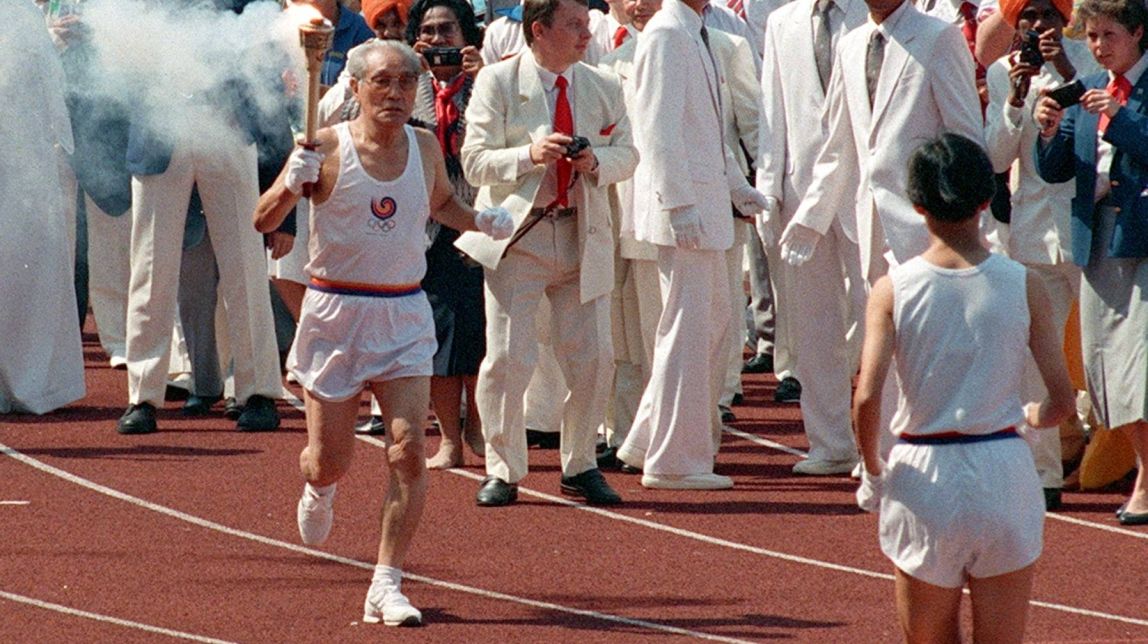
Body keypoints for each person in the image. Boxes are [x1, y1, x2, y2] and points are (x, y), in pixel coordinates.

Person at [254, 40, 513, 626]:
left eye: (404, 82)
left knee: (408, 450)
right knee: (329, 459)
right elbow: (262, 221)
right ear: (358, 89)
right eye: (382, 82)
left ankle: (386, 582)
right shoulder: (324, 146)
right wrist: (290, 185)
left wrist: (481, 219)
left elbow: (442, 204)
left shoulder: (423, 146)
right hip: (336, 313)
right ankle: (318, 486)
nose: (395, 93)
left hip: (401, 312)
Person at [853, 133, 1074, 643]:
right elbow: (1061, 401)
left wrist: (872, 470)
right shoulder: (1024, 284)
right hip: (1003, 467)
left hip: (923, 474)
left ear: (916, 206)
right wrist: (1027, 416)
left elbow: (867, 397)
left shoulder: (893, 289)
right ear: (984, 201)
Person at [782, 0, 984, 462]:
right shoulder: (851, 45)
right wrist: (811, 218)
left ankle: (930, 450)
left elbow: (964, 136)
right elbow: (839, 148)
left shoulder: (938, 37)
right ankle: (890, 456)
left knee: (930, 343)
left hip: (929, 225)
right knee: (884, 345)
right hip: (868, 225)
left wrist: (963, 223)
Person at [456, 0, 638, 507]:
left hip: (583, 232)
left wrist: (593, 159)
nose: (586, 34)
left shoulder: (603, 85)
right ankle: (503, 468)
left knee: (595, 359)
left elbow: (629, 153)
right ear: (540, 30)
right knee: (509, 359)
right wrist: (530, 155)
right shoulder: (496, 81)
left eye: (586, 25)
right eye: (574, 25)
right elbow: (473, 162)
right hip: (523, 236)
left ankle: (579, 464)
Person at [617, 0, 771, 490]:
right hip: (685, 214)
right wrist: (678, 204)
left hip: (704, 207)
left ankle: (646, 439)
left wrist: (736, 186)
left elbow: (705, 127)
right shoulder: (667, 33)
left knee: (711, 325)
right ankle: (674, 461)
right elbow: (657, 128)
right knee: (687, 333)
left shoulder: (695, 31)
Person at [115, 4, 286, 435]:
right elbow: (120, 58)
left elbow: (265, 67)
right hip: (161, 129)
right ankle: (143, 395)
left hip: (228, 129)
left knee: (246, 267)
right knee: (150, 271)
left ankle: (258, 391)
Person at [1034, 0, 1148, 526]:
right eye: (1094, 35)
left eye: (1109, 34)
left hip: (1141, 240)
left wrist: (1120, 119)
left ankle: (1145, 480)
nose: (1099, 45)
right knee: (1102, 364)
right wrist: (1049, 129)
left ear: (1138, 34)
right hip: (1098, 240)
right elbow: (1059, 170)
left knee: (1136, 366)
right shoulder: (1086, 89)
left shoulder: (1134, 93)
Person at [983, 0, 1093, 509]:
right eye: (1026, 17)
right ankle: (1044, 472)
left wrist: (1069, 72)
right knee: (1035, 359)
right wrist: (1015, 99)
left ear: (1065, 18)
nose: (1037, 27)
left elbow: (1108, 110)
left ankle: (1117, 456)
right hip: (1030, 233)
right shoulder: (1004, 72)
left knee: (1103, 356)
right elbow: (996, 156)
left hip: (1092, 225)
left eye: (1048, 15)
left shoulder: (1088, 56)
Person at [756, 0, 868, 475]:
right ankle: (829, 443)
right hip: (800, 193)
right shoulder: (783, 22)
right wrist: (769, 189)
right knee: (813, 324)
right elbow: (773, 110)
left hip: (865, 188)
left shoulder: (875, 15)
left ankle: (875, 442)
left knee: (873, 318)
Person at [404, 0, 489, 468]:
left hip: (475, 219)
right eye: (430, 31)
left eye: (448, 30)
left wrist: (480, 76)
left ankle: (477, 424)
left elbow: (494, 131)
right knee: (436, 338)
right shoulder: (408, 81)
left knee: (478, 334)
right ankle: (449, 439)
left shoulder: (486, 81)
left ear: (466, 34)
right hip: (426, 227)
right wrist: (414, 73)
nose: (439, 40)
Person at [0, 0, 85, 415]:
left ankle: (32, 379)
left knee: (25, 272)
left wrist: (61, 150)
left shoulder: (23, 14)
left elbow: (50, 88)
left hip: (25, 165)